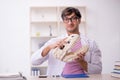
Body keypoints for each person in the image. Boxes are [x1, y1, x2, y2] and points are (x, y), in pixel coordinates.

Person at [31, 7, 102, 76]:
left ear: (79, 20)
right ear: (63, 22)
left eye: (73, 18)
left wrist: (82, 62)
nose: (70, 22)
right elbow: (34, 61)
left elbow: (98, 70)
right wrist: (49, 47)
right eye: (66, 19)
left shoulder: (91, 43)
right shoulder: (54, 42)